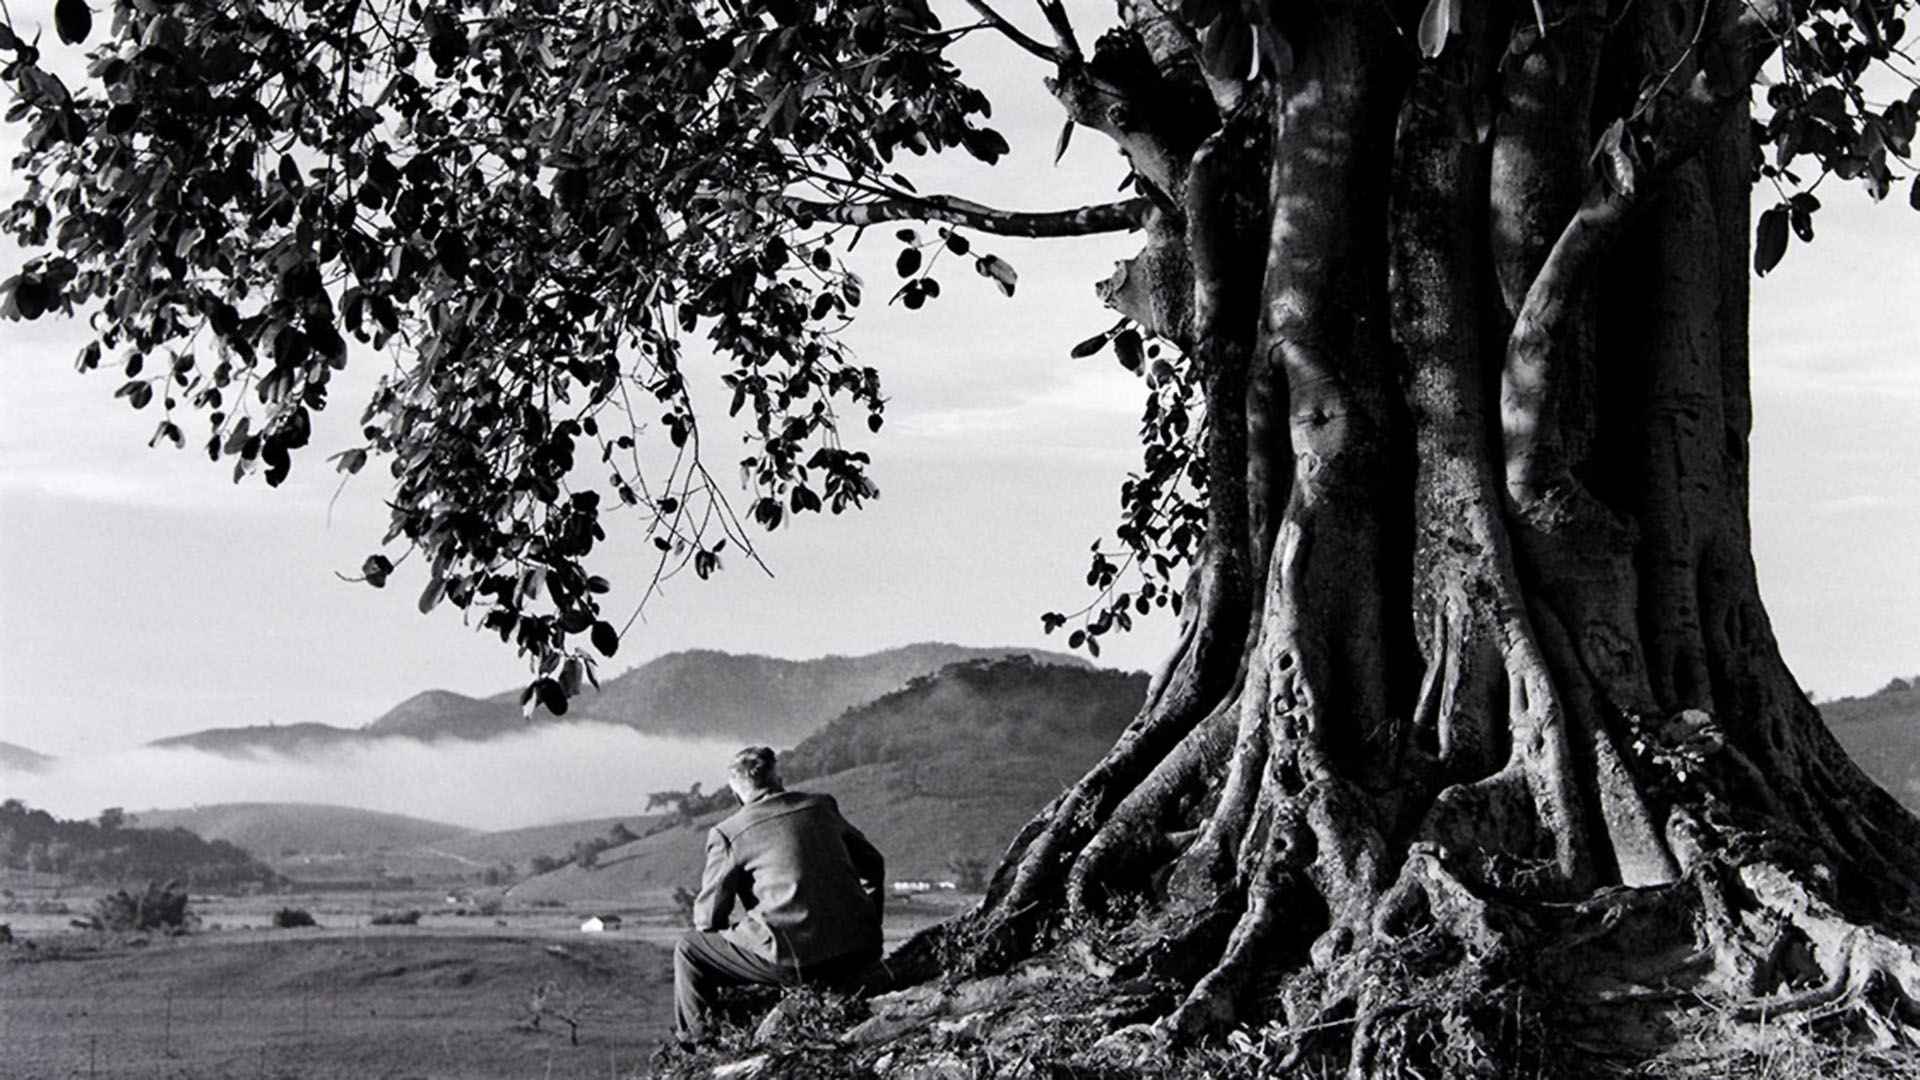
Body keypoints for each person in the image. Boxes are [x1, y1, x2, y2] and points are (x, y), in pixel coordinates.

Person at [672, 746, 885, 1044]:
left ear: (736, 794)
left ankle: (699, 1045)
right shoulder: (821, 806)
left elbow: (707, 920)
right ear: (779, 779)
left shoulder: (728, 832)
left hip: (798, 961)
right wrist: (868, 921)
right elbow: (873, 865)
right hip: (861, 948)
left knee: (689, 950)